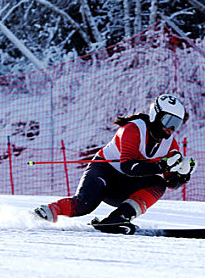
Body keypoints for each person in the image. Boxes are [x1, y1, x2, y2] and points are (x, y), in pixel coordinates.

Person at [34, 94, 196, 234]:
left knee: (158, 183)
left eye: (176, 123)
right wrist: (163, 166)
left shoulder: (170, 144)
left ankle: (117, 219)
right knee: (85, 205)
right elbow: (128, 167)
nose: (170, 128)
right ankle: (46, 212)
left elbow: (170, 183)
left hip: (125, 186)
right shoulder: (132, 129)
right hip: (104, 173)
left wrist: (182, 175)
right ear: (155, 115)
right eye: (168, 120)